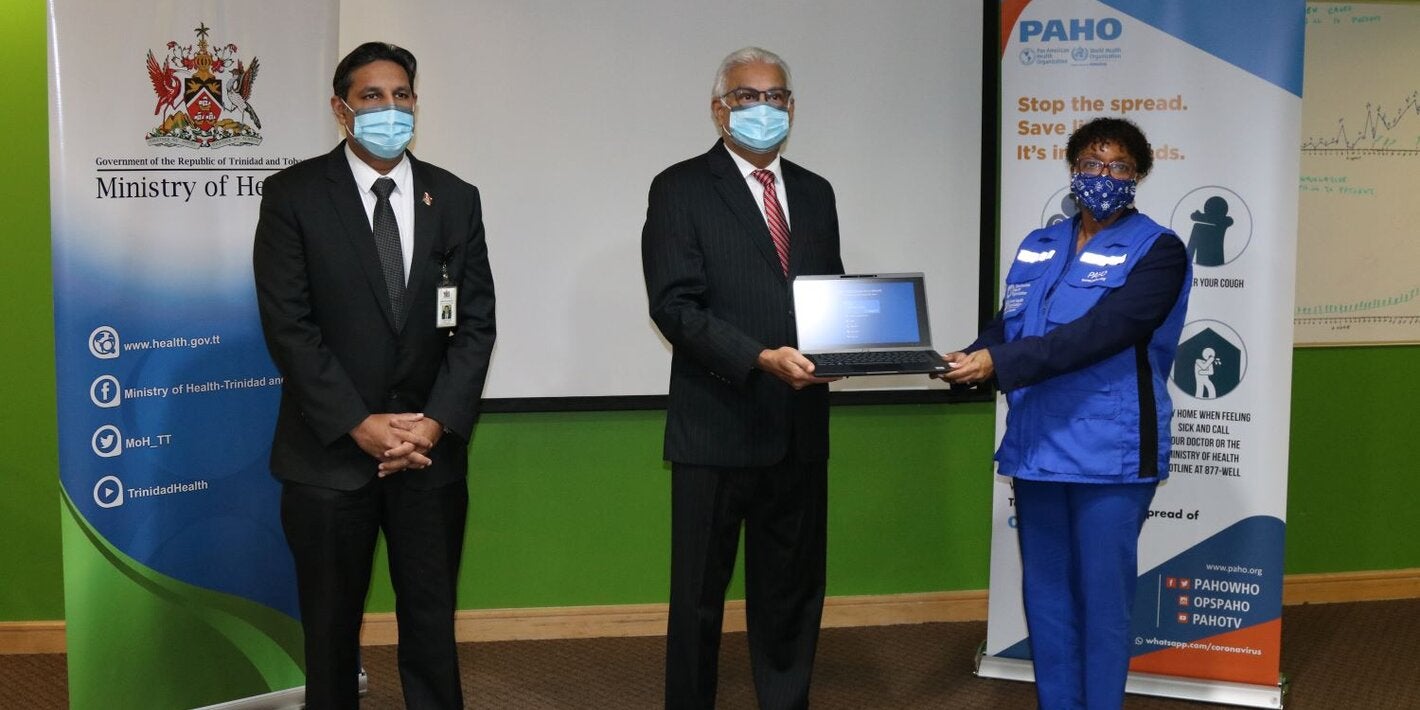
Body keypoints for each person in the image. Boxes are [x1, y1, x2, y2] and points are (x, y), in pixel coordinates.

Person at [252, 41, 496, 710]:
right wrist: (358, 424)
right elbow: (289, 326)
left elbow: (475, 325)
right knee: (330, 631)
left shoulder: (455, 198)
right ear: (341, 109)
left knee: (431, 624)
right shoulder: (293, 196)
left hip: (428, 454)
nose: (391, 109)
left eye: (402, 95)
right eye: (372, 96)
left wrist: (434, 423)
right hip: (328, 454)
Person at [942, 117, 1190, 710]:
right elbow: (1008, 325)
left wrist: (999, 363)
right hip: (1037, 448)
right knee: (1047, 598)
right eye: (1092, 164)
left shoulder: (1159, 250)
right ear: (1073, 170)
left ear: (1138, 175)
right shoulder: (1041, 243)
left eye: (1119, 166)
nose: (1104, 175)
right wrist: (972, 357)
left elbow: (1103, 333)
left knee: (1102, 602)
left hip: (1112, 454)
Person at [641, 46, 844, 710]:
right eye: (747, 96)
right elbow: (674, 306)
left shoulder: (815, 192)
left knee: (792, 594)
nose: (764, 108)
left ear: (792, 107)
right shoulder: (679, 187)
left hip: (799, 427)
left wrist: (850, 349)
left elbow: (828, 297)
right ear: (718, 108)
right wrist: (758, 357)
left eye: (775, 96)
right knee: (699, 598)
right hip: (716, 424)